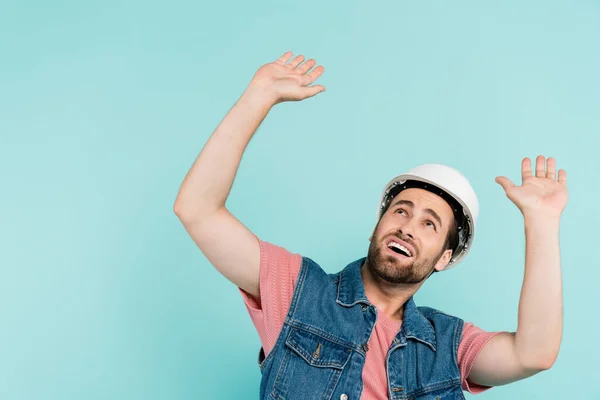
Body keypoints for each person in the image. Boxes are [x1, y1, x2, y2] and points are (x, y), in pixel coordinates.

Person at [173, 51, 568, 399]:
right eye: (400, 211)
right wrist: (258, 97)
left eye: (429, 224)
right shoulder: (297, 289)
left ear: (445, 257)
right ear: (376, 227)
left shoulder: (448, 344)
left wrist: (542, 222)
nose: (408, 227)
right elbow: (198, 210)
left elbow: (534, 354)